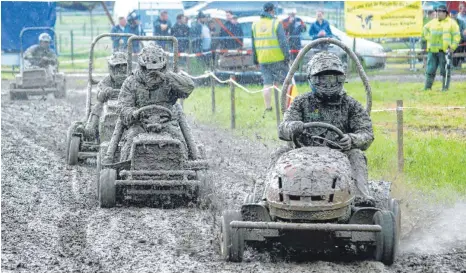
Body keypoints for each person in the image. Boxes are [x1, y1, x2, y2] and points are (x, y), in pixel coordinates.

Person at [275, 51, 374, 206]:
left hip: (340, 156)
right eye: (323, 78)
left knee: (357, 155)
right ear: (312, 79)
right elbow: (283, 129)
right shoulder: (301, 102)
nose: (329, 83)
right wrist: (293, 127)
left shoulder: (351, 105)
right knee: (279, 152)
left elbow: (367, 134)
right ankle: (264, 198)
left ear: (341, 78)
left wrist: (352, 139)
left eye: (333, 78)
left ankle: (362, 200)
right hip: (301, 155)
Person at [116, 45, 195, 161]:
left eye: (157, 69)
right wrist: (133, 113)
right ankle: (126, 167)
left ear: (163, 67)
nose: (153, 72)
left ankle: (183, 165)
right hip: (140, 124)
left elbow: (189, 87)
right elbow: (123, 107)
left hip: (167, 123)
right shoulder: (131, 82)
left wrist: (167, 77)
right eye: (149, 69)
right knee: (129, 142)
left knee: (180, 141)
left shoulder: (170, 81)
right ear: (142, 67)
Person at [252, 2, 290, 112]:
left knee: (267, 84)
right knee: (285, 83)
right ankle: (286, 107)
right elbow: (283, 42)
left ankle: (268, 107)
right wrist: (287, 56)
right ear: (272, 10)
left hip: (263, 59)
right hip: (278, 58)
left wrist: (255, 61)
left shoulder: (255, 25)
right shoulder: (276, 23)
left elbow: (254, 45)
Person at [82, 52, 128, 138]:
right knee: (99, 105)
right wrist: (105, 92)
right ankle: (91, 128)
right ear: (111, 68)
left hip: (127, 104)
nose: (121, 70)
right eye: (118, 67)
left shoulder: (131, 80)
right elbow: (99, 96)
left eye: (124, 67)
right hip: (108, 106)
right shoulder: (106, 81)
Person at [422, 5, 460, 91]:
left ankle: (445, 88)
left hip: (445, 51)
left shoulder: (452, 23)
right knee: (430, 70)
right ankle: (427, 88)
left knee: (445, 71)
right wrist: (429, 38)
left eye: (439, 11)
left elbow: (457, 37)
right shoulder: (432, 22)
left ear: (445, 13)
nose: (437, 13)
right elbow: (424, 30)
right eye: (437, 11)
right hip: (432, 51)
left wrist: (452, 47)